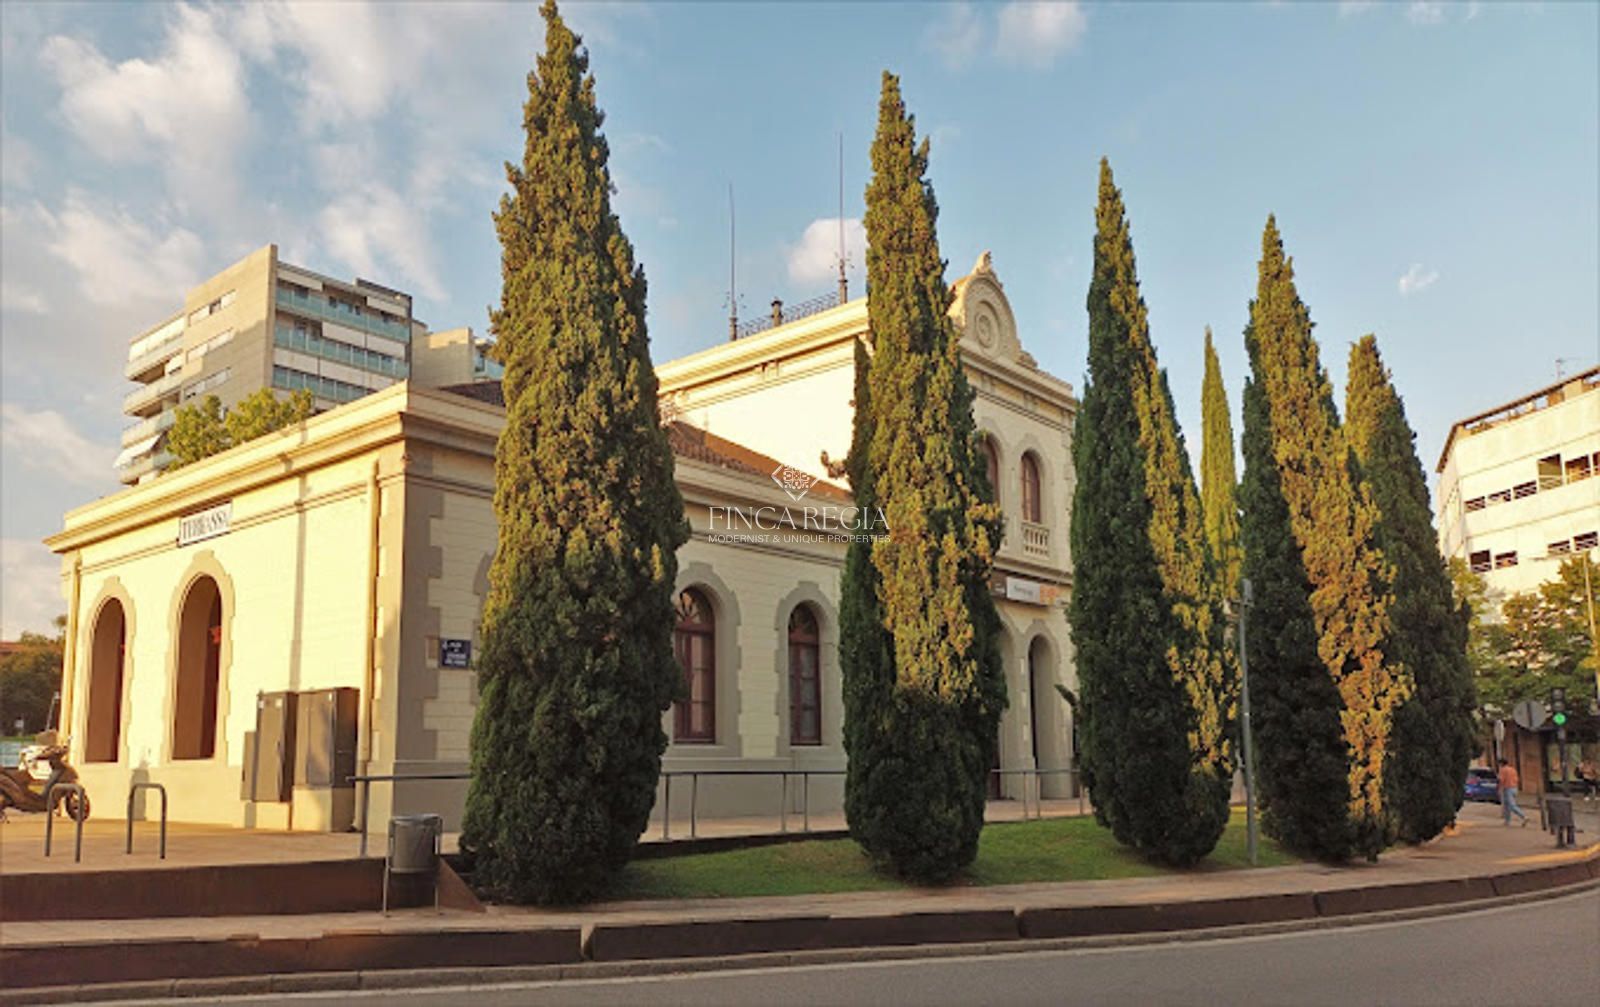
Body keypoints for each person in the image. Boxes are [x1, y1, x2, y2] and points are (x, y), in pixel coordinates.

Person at [1497, 758, 1528, 827]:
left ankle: (1524, 816)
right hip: (1514, 788)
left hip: (1507, 788)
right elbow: (1517, 779)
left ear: (1501, 764)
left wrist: (1499, 789)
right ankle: (1507, 821)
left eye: (1499, 764)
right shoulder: (1513, 769)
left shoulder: (1503, 770)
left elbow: (1501, 780)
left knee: (1511, 805)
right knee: (1507, 805)